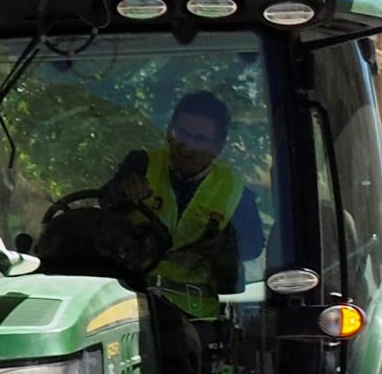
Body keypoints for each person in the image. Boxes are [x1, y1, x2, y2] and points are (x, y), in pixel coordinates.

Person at [109, 90, 265, 321]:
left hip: (196, 315)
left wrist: (225, 244)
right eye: (181, 134)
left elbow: (252, 247)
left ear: (218, 147)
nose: (186, 147)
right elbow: (105, 206)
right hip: (132, 304)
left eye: (200, 140)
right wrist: (123, 193)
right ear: (169, 131)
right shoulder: (141, 164)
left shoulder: (235, 191)